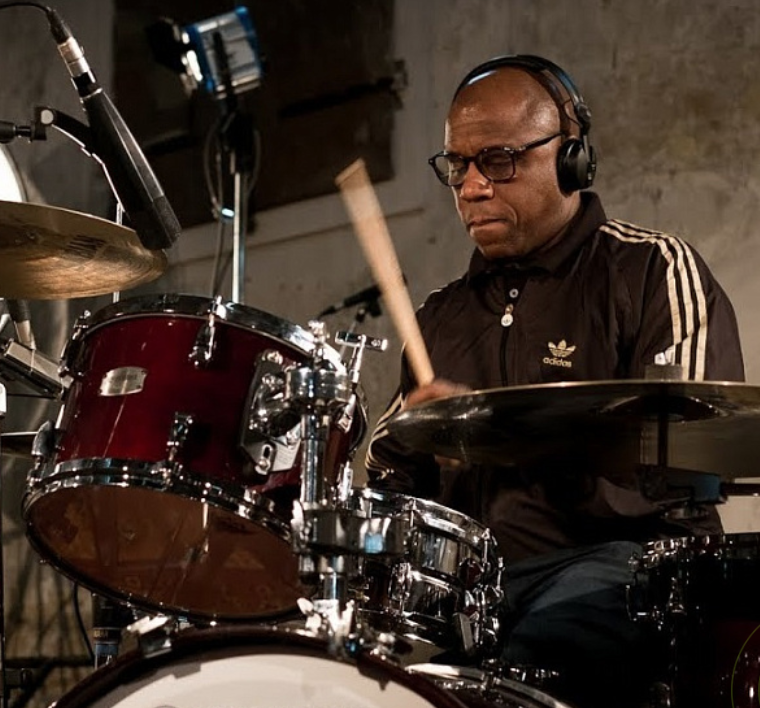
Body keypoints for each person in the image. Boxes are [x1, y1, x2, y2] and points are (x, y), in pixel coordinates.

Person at [364, 55, 745, 708]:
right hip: (476, 599)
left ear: (571, 159)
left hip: (624, 571)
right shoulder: (439, 318)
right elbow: (386, 484)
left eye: (498, 161)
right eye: (458, 165)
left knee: (536, 655)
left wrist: (515, 438)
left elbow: (690, 456)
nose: (471, 188)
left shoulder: (651, 270)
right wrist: (412, 440)